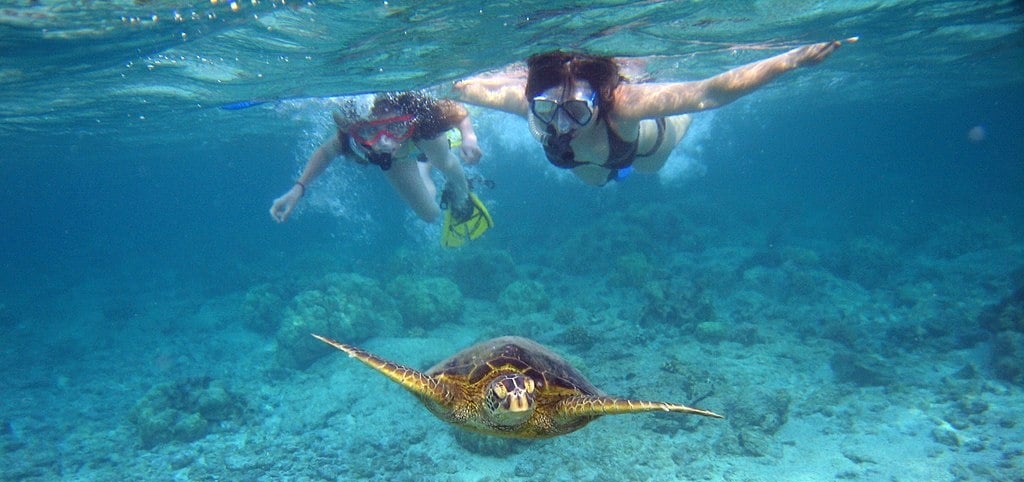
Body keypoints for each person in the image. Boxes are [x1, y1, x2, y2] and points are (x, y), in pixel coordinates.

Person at [452, 39, 854, 186]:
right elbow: (465, 88)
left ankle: (673, 134)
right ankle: (611, 174)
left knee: (650, 166)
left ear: (597, 103)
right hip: (590, 164)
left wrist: (789, 61)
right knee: (594, 181)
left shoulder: (623, 104)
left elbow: (708, 93)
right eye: (546, 109)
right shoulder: (529, 107)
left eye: (575, 111)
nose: (560, 123)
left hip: (645, 148)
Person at [270, 91, 493, 247]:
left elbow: (457, 111)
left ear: (407, 120)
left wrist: (469, 138)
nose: (384, 142)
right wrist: (298, 189)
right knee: (430, 215)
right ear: (357, 130)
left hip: (419, 139)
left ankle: (461, 193)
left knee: (444, 161)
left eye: (394, 126)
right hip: (397, 160)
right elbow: (326, 152)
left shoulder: (423, 118)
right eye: (370, 131)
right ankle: (423, 166)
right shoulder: (351, 136)